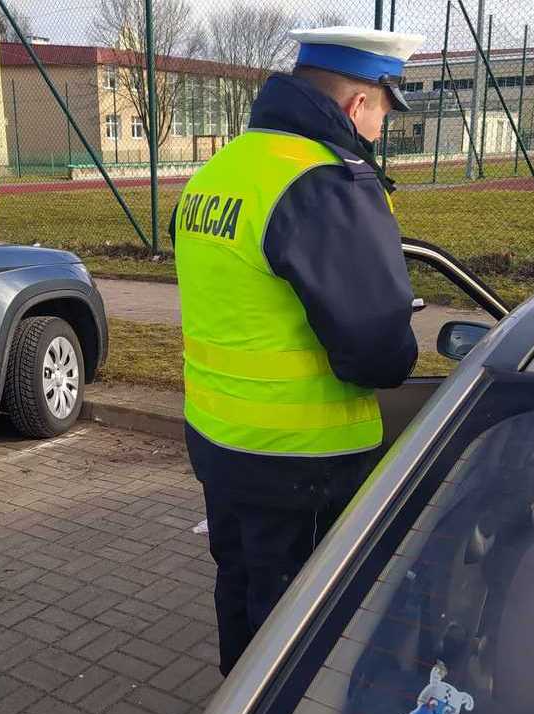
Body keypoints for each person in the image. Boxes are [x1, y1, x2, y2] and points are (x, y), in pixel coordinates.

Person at [170, 27, 425, 676]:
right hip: (304, 462)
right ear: (357, 104)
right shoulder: (327, 182)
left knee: (242, 591)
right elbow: (377, 353)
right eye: (383, 113)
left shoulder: (223, 169)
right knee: (301, 629)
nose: (379, 131)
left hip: (220, 440)